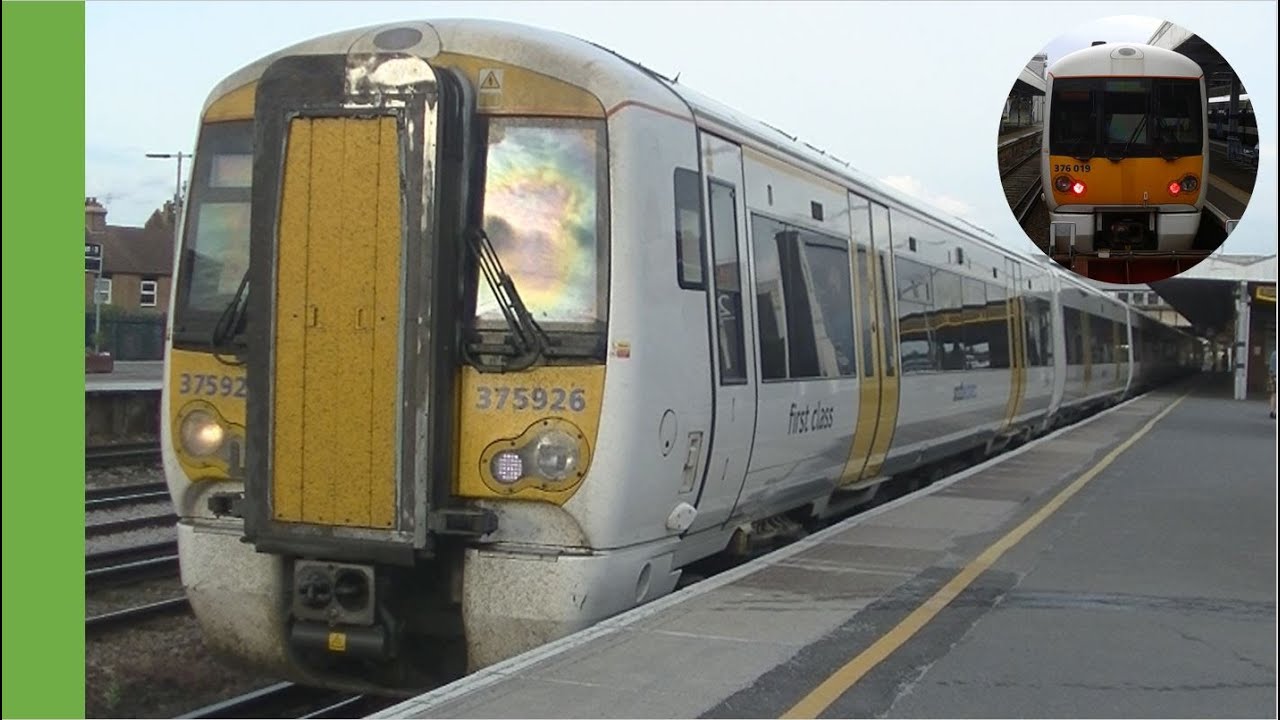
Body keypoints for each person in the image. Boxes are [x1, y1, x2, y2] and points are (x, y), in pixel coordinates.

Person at [1269, 348, 1276, 420]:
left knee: (1273, 394)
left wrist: (1271, 378)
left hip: (1274, 376)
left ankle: (1272, 411)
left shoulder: (1273, 354)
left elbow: (1271, 368)